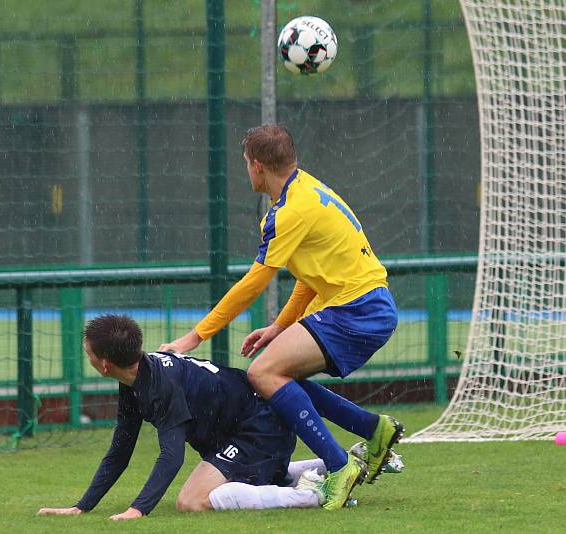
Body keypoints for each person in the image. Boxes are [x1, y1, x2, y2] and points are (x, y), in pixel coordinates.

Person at [159, 124, 403, 510]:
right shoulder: (305, 190)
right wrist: (278, 328)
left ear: (257, 166)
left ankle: (339, 467)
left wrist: (196, 336)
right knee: (279, 374)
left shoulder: (290, 211)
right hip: (363, 305)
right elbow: (308, 279)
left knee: (262, 373)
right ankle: (374, 430)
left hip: (357, 309)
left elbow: (254, 282)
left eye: (245, 164)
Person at [38, 313, 345, 520]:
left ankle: (309, 496)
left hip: (260, 427)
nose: (87, 356)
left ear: (104, 365)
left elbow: (171, 456)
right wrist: (82, 507)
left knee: (192, 500)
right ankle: (331, 464)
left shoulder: (160, 386)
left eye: (88, 352)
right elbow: (121, 449)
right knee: (241, 479)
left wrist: (138, 510)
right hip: (249, 427)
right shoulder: (135, 378)